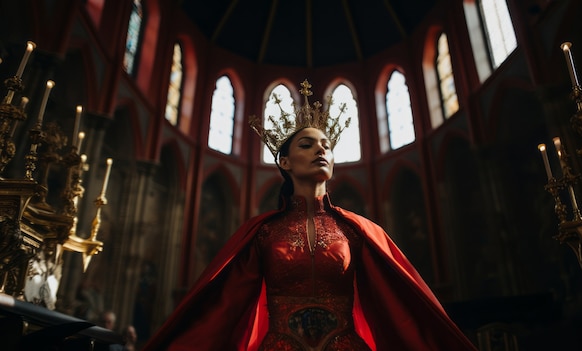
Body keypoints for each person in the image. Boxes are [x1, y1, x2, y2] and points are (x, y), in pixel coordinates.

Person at [143, 80, 477, 350]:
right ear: (284, 162)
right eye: (306, 145)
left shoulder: (356, 231)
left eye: (326, 146)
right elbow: (222, 309)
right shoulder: (262, 233)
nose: (321, 150)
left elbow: (398, 307)